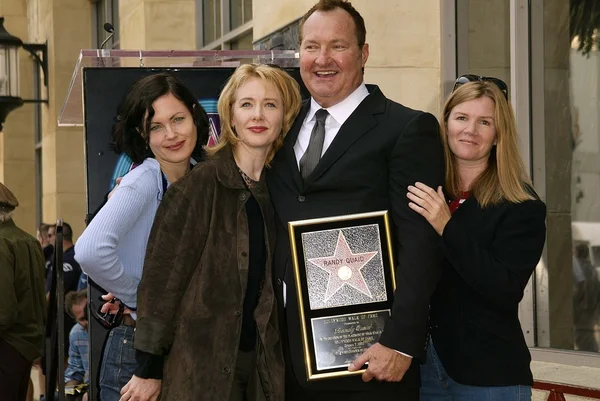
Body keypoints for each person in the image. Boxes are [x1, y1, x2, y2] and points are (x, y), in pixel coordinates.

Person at [266, 1, 445, 400]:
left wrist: (401, 343)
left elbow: (421, 243)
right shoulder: (278, 127)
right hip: (282, 360)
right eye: (311, 47)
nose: (322, 59)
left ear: (364, 53)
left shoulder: (406, 129)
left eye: (338, 46)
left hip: (368, 360)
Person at [125, 64, 301, 401]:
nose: (258, 115)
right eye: (246, 104)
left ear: (284, 117)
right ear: (230, 116)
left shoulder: (280, 191)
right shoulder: (199, 186)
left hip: (261, 369)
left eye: (270, 104)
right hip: (201, 369)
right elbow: (162, 284)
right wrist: (148, 369)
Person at [406, 75, 547, 400]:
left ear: (498, 135)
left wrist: (447, 226)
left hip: (489, 377)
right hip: (425, 370)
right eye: (462, 118)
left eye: (485, 122)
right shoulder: (424, 192)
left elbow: (504, 288)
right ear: (445, 123)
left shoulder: (521, 206)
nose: (470, 130)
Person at [74, 72, 210, 401]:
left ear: (194, 114)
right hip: (135, 353)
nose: (172, 134)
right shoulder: (145, 179)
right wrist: (138, 299)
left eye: (178, 119)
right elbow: (90, 251)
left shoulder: (199, 176)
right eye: (156, 126)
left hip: (182, 347)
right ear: (142, 133)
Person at [0, 182, 47, 401]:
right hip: (25, 342)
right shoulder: (27, 239)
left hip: (7, 344)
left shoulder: (2, 243)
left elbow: (4, 310)